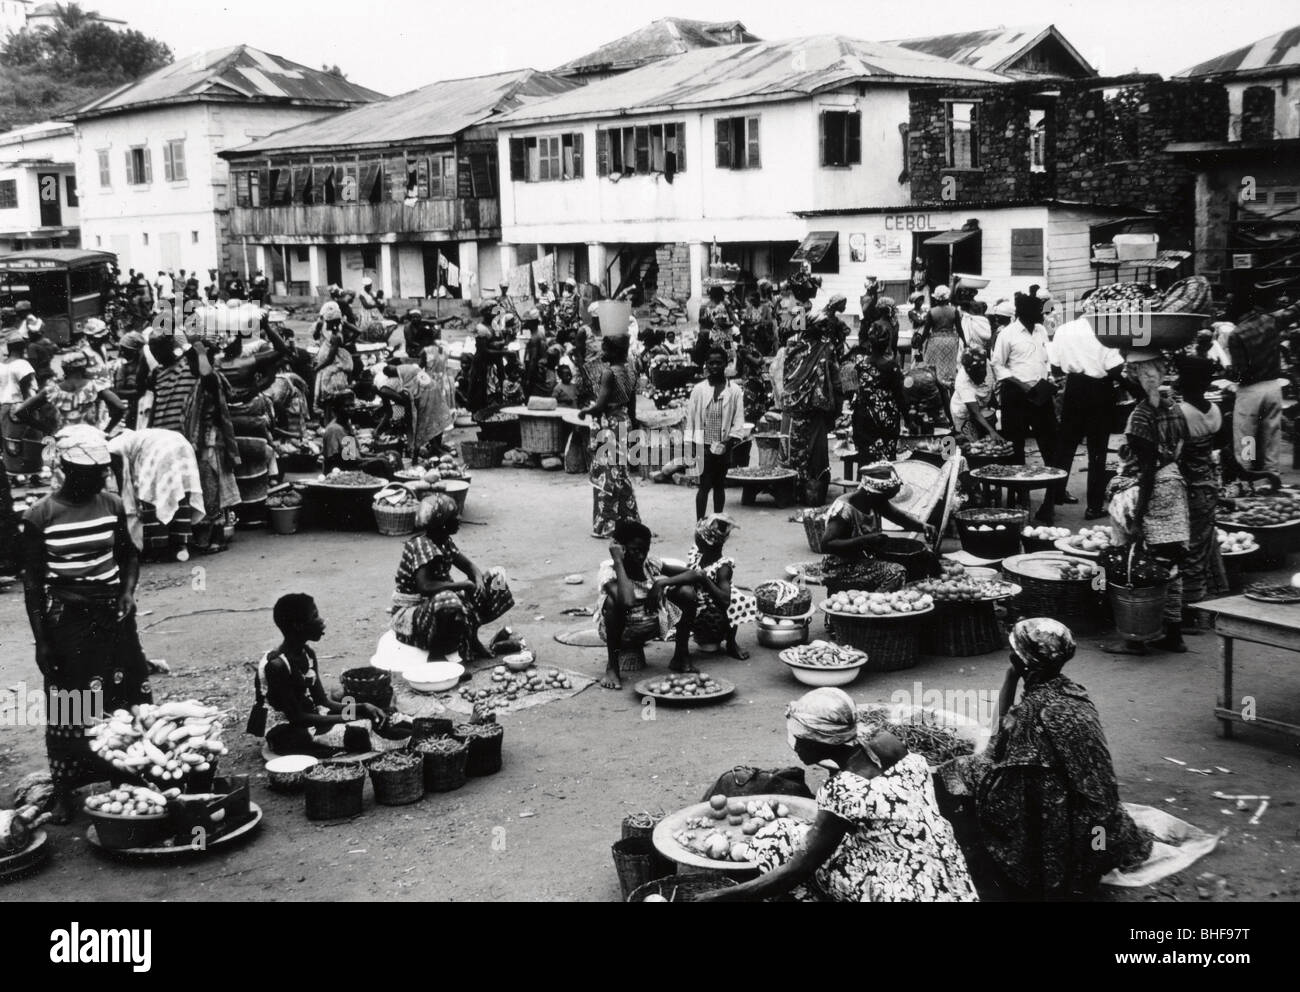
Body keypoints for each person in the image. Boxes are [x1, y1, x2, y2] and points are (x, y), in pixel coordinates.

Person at [941, 618, 1153, 899]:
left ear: (1020, 660)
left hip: (1064, 830)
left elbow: (996, 746)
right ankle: (1088, 864)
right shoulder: (1074, 694)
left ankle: (981, 848)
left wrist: (1009, 677)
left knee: (959, 770)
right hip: (1100, 831)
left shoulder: (1029, 714)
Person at [703, 687, 977, 902]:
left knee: (775, 838)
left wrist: (724, 896)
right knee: (800, 833)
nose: (795, 747)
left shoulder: (842, 790)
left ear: (813, 743)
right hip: (947, 879)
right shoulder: (890, 745)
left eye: (798, 740)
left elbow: (800, 868)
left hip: (899, 892)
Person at [21, 425, 153, 822]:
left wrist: (128, 591)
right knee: (72, 704)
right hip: (68, 621)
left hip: (112, 616)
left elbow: (129, 555)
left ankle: (126, 777)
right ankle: (66, 791)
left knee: (124, 699)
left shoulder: (111, 505)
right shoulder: (39, 516)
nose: (101, 478)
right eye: (92, 473)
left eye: (102, 472)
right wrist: (42, 642)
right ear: (66, 468)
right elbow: (32, 585)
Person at [1104, 357, 1190, 654]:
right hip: (1174, 484)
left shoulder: (1141, 416)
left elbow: (1148, 469)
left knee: (1136, 561)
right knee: (1170, 563)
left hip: (1151, 489)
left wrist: (1138, 515)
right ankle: (1174, 633)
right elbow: (1182, 450)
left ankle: (1135, 638)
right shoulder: (1173, 408)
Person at [142, 333, 240, 554]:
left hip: (206, 440)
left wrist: (200, 353)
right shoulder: (166, 375)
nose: (188, 364)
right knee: (194, 489)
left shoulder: (205, 375)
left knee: (209, 487)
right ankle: (200, 535)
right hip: (184, 440)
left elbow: (206, 373)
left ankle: (215, 536)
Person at [257, 594, 386, 758]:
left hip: (310, 715)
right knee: (359, 732)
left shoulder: (307, 654)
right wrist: (348, 718)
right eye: (315, 616)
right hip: (287, 728)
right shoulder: (277, 666)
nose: (322, 621)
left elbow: (322, 701)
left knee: (373, 716)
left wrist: (362, 707)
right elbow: (297, 718)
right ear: (298, 626)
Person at [389, 493, 514, 662]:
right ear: (442, 524)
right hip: (415, 613)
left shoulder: (444, 541)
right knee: (449, 600)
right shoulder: (421, 545)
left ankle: (472, 638)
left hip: (436, 602)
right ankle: (437, 655)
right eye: (454, 516)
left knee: (496, 581)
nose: (459, 519)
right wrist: (464, 585)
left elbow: (469, 567)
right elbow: (424, 586)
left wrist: (478, 581)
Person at [595, 519, 699, 690]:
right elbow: (627, 601)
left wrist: (660, 584)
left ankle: (681, 656)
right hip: (624, 631)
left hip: (652, 624)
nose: (641, 556)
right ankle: (612, 667)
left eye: (645, 550)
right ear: (621, 549)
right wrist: (619, 562)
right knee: (613, 602)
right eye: (635, 551)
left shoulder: (649, 564)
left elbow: (694, 574)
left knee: (686, 592)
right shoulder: (609, 571)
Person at [1042, 316, 1125, 521]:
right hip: (1100, 391)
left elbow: (1056, 367)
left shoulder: (1064, 329)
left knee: (1064, 450)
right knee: (1097, 453)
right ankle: (1094, 507)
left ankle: (1049, 503)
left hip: (1074, 389)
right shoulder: (1107, 330)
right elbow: (1114, 368)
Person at [819, 463, 934, 592]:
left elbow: (898, 517)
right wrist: (865, 540)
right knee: (896, 572)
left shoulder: (875, 501)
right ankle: (873, 604)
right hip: (841, 566)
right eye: (883, 498)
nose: (885, 502)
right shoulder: (844, 509)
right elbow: (826, 545)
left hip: (866, 558)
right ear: (870, 493)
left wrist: (922, 526)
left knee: (923, 558)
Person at [1176, 355, 1228, 619]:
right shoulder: (1214, 411)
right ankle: (1204, 600)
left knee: (1190, 549)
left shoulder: (1182, 413)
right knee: (1202, 543)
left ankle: (1192, 610)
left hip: (1189, 488)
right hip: (1208, 485)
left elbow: (1177, 455)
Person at [990, 290, 1057, 493]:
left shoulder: (1041, 331)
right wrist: (1022, 384)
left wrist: (1050, 378)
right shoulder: (1007, 334)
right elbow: (998, 365)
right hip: (1016, 393)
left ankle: (1055, 490)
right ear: (1025, 313)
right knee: (1016, 444)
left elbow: (1046, 359)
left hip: (1040, 392)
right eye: (1038, 311)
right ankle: (1019, 492)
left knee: (1049, 442)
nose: (1041, 314)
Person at [107, 427, 204, 560]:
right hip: (181, 445)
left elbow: (122, 477)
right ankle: (180, 544)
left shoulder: (111, 447)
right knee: (180, 494)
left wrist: (125, 500)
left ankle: (158, 548)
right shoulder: (132, 436)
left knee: (151, 497)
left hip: (160, 450)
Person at [1227, 299, 1300, 474]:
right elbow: (1294, 311)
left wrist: (1228, 372)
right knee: (1271, 434)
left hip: (1250, 390)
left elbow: (1240, 371)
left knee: (1247, 435)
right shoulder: (1271, 320)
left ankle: (1247, 469)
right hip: (1273, 386)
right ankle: (1272, 473)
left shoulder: (1236, 334)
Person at [578, 334, 640, 538]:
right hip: (623, 422)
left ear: (614, 351)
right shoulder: (631, 370)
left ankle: (607, 524)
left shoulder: (608, 373)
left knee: (607, 474)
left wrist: (585, 411)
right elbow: (631, 406)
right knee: (620, 472)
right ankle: (629, 520)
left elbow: (601, 405)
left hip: (610, 424)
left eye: (604, 348)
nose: (601, 352)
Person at [677, 513, 756, 659]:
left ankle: (731, 643)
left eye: (698, 536)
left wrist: (704, 579)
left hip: (716, 604)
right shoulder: (698, 554)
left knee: (735, 599)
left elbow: (725, 601)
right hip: (699, 598)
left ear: (707, 541)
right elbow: (688, 573)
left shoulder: (723, 567)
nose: (695, 538)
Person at [782, 314, 841, 506]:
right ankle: (799, 490)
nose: (824, 329)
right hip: (801, 407)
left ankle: (806, 491)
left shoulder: (824, 346)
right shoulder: (797, 344)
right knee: (801, 451)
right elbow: (789, 372)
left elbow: (834, 375)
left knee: (811, 453)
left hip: (810, 407)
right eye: (821, 325)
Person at [681, 348, 746, 519]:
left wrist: (728, 443)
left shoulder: (735, 391)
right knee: (704, 485)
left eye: (719, 362)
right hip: (704, 445)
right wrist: (692, 444)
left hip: (724, 445)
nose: (715, 366)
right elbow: (691, 419)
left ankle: (717, 520)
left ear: (726, 364)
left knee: (719, 484)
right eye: (711, 363)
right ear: (706, 365)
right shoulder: (699, 390)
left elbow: (738, 420)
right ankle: (700, 522)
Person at [850, 320, 905, 462]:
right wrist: (909, 420)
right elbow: (900, 397)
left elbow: (852, 391)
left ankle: (863, 483)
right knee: (885, 463)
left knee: (865, 460)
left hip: (863, 419)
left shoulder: (859, 365)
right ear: (887, 343)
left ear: (870, 342)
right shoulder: (892, 367)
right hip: (886, 420)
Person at [376, 361, 454, 459]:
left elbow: (403, 406)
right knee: (434, 418)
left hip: (425, 391)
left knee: (421, 422)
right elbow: (390, 411)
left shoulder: (385, 388)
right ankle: (433, 448)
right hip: (432, 386)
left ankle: (429, 450)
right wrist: (379, 428)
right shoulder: (402, 370)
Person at [40, 351, 126, 433]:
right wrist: (107, 430)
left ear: (64, 369)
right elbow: (120, 407)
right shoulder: (94, 386)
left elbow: (26, 411)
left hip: (63, 437)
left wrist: (48, 431)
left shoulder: (52, 390)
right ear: (84, 368)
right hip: (90, 438)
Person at [950, 346, 1002, 443]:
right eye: (977, 377)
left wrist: (993, 404)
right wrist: (991, 431)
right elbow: (975, 412)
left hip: (982, 406)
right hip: (964, 413)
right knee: (970, 444)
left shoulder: (985, 363)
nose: (981, 379)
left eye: (983, 375)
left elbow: (990, 385)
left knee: (987, 443)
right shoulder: (962, 382)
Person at [312, 301, 355, 416]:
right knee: (332, 402)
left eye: (327, 322)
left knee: (329, 401)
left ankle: (329, 421)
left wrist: (317, 368)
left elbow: (330, 358)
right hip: (333, 367)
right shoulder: (337, 332)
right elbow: (358, 331)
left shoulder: (335, 337)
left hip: (332, 370)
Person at [914, 284, 962, 385]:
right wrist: (965, 343)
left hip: (935, 341)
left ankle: (936, 387)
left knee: (933, 368)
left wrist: (920, 344)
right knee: (949, 367)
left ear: (936, 298)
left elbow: (926, 331)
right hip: (951, 342)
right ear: (947, 297)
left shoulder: (932, 312)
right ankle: (949, 388)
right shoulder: (954, 311)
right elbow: (959, 329)